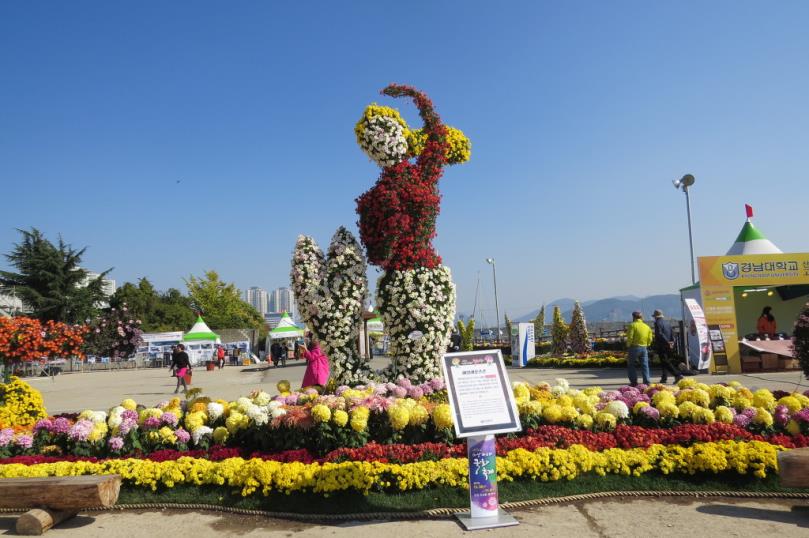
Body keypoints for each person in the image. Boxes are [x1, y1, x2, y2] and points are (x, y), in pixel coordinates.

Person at [652, 310, 682, 384]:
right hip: (669, 344)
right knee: (664, 361)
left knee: (665, 361)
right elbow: (672, 333)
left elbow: (659, 334)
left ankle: (677, 375)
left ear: (655, 317)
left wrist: (667, 342)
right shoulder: (667, 323)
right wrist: (672, 342)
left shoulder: (657, 323)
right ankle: (664, 377)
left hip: (662, 344)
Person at [624, 311, 653, 386]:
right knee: (645, 365)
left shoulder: (632, 325)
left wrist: (628, 345)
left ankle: (634, 382)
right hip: (644, 347)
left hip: (634, 347)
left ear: (633, 317)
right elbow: (650, 338)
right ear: (641, 317)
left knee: (631, 365)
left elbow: (630, 337)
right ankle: (647, 381)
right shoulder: (647, 326)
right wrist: (647, 344)